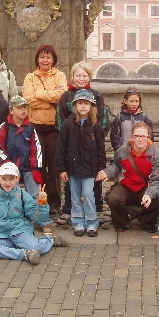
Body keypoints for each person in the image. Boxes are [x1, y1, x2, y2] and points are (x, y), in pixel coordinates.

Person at [0, 162, 68, 264]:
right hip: (2, 235)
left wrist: (42, 204)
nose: (7, 183)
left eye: (11, 179)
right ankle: (25, 254)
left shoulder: (23, 195)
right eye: (4, 179)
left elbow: (38, 218)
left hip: (21, 232)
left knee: (35, 247)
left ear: (17, 178)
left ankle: (49, 240)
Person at [0, 95, 55, 235]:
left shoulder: (31, 128)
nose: (23, 110)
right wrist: (7, 165)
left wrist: (36, 168)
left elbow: (36, 149)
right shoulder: (4, 127)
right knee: (9, 194)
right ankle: (10, 220)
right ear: (11, 110)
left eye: (25, 108)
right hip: (10, 168)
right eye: (19, 108)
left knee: (35, 194)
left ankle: (43, 221)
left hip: (28, 167)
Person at [56, 61, 109, 217]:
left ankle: (96, 205)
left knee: (93, 174)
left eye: (84, 75)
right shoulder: (66, 96)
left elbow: (103, 119)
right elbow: (60, 119)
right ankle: (69, 206)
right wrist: (67, 136)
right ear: (72, 77)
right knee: (71, 176)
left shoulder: (96, 95)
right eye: (78, 75)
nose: (81, 78)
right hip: (72, 142)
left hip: (91, 140)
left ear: (89, 77)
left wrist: (96, 135)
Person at [22, 44, 68, 213]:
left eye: (48, 57)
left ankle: (55, 203)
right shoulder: (30, 77)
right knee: (39, 164)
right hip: (36, 126)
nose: (45, 60)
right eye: (42, 57)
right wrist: (50, 97)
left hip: (54, 127)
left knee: (55, 166)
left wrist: (40, 93)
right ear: (37, 59)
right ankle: (41, 199)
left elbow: (62, 96)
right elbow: (29, 99)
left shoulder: (60, 75)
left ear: (53, 59)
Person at [97, 122, 159, 233]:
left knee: (158, 197)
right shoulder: (122, 150)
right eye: (137, 136)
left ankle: (147, 222)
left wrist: (150, 194)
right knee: (113, 198)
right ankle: (121, 222)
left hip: (145, 187)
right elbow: (115, 165)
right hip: (126, 186)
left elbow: (157, 178)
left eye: (143, 136)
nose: (140, 139)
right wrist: (107, 172)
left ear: (148, 137)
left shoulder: (155, 154)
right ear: (132, 137)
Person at [56, 90, 106, 237]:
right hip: (73, 168)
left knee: (89, 195)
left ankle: (91, 222)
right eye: (80, 103)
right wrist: (62, 169)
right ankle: (78, 222)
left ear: (91, 106)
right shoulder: (68, 124)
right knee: (75, 196)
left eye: (86, 103)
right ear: (75, 106)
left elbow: (100, 149)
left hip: (90, 169)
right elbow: (61, 147)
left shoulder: (95, 126)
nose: (83, 106)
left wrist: (101, 169)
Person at [110, 86, 154, 152]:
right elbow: (114, 137)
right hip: (124, 152)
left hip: (141, 152)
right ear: (125, 101)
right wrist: (120, 150)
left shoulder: (144, 118)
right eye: (131, 101)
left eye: (137, 101)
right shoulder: (119, 118)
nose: (134, 104)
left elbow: (150, 137)